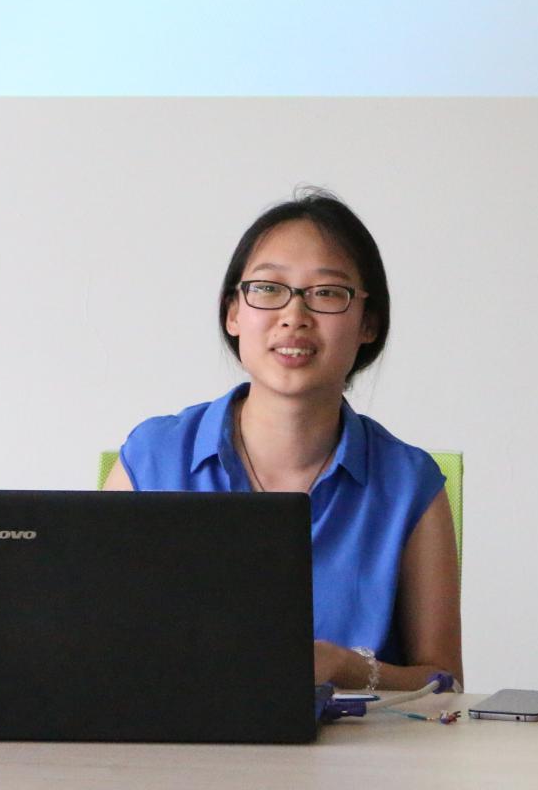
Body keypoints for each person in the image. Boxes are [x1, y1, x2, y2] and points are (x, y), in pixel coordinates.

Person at [103, 188, 462, 693]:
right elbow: (94, 647)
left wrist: (344, 667)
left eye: (327, 293)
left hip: (358, 746)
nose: (294, 315)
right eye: (268, 288)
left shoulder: (411, 485)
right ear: (233, 313)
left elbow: (446, 686)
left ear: (368, 323)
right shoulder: (151, 459)